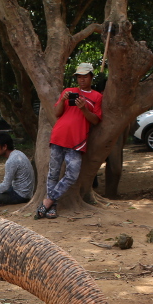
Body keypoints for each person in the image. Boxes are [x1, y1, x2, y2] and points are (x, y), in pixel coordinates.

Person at [38, 62, 102, 219]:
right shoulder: (68, 91)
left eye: (85, 77)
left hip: (77, 141)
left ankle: (48, 200)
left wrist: (83, 108)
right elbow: (57, 113)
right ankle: (52, 207)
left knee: (72, 174)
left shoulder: (97, 97)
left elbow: (95, 120)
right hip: (58, 136)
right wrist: (62, 100)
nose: (81, 80)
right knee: (53, 173)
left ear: (91, 77)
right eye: (79, 77)